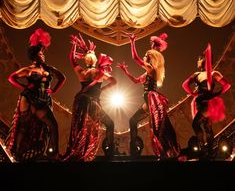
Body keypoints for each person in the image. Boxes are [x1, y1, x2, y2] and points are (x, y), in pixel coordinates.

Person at [5, 28, 66, 162]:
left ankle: (52, 154)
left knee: (50, 126)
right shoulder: (28, 70)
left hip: (43, 101)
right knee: (25, 126)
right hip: (29, 99)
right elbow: (11, 78)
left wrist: (54, 90)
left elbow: (62, 77)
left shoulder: (48, 68)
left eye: (43, 53)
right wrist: (25, 86)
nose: (43, 55)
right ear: (34, 56)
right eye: (40, 53)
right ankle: (18, 153)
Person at [117, 32, 180, 160]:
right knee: (133, 120)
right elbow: (135, 81)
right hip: (148, 101)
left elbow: (135, 58)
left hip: (152, 99)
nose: (144, 57)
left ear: (151, 58)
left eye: (146, 55)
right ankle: (134, 150)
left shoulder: (152, 69)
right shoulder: (147, 73)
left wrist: (132, 41)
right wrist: (125, 71)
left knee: (157, 129)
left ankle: (166, 154)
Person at [62, 33, 117, 162]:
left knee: (81, 127)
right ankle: (109, 153)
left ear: (86, 60)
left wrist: (74, 45)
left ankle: (79, 151)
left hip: (81, 100)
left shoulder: (82, 72)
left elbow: (72, 59)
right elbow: (114, 81)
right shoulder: (100, 72)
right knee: (109, 123)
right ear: (95, 59)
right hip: (92, 102)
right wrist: (102, 89)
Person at [182, 42, 231, 159]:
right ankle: (209, 152)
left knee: (196, 124)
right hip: (201, 103)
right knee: (207, 127)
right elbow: (184, 85)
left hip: (207, 104)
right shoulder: (198, 74)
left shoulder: (213, 73)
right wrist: (195, 94)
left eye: (198, 59)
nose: (197, 61)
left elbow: (227, 85)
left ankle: (204, 149)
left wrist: (215, 94)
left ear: (203, 60)